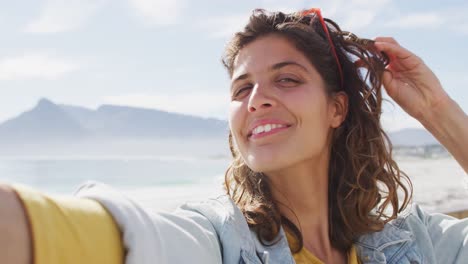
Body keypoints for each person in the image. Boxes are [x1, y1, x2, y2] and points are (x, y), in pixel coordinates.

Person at [1, 7, 468, 264]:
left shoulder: (414, 241)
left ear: (336, 108)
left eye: (287, 79)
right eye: (242, 88)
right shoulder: (218, 242)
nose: (256, 99)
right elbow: (123, 239)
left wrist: (438, 111)